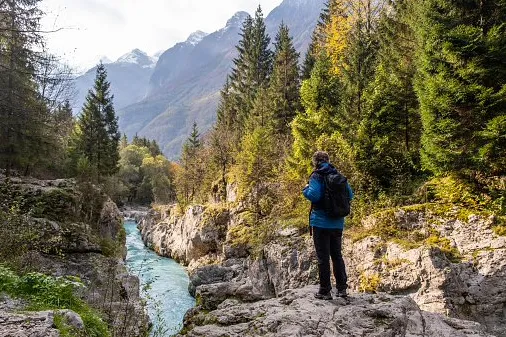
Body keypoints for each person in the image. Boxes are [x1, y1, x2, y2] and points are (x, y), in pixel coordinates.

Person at [303, 151, 354, 300]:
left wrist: (305, 189)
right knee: (337, 255)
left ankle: (325, 291)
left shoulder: (316, 175)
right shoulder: (338, 176)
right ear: (328, 160)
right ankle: (342, 290)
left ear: (315, 162)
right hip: (337, 223)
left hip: (320, 222)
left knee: (323, 258)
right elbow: (350, 195)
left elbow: (314, 195)